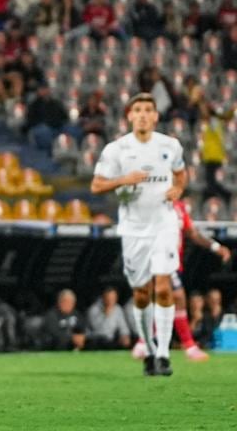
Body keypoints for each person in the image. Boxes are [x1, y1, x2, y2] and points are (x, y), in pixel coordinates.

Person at [91, 93, 187, 377]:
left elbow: (181, 175)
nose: (143, 114)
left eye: (148, 109)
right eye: (138, 110)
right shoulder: (117, 150)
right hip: (134, 230)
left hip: (164, 224)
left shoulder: (170, 146)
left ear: (156, 116)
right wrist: (123, 179)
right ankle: (147, 344)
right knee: (142, 295)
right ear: (129, 116)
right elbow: (96, 185)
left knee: (163, 286)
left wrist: (178, 190)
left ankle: (164, 354)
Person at [163, 199, 232, 362]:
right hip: (157, 259)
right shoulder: (155, 201)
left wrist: (215, 247)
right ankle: (186, 345)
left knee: (170, 299)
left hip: (173, 263)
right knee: (173, 298)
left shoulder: (179, 207)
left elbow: (192, 233)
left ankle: (150, 343)